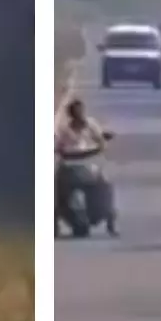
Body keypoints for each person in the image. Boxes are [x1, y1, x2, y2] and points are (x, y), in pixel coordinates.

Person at [54, 98, 115, 235]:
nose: (79, 115)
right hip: (69, 167)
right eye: (76, 113)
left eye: (81, 112)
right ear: (71, 115)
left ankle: (111, 222)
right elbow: (58, 147)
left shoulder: (91, 125)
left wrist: (102, 143)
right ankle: (54, 225)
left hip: (90, 166)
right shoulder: (64, 130)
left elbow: (100, 139)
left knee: (107, 186)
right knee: (55, 192)